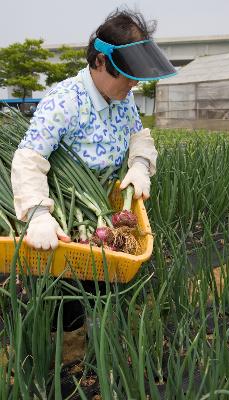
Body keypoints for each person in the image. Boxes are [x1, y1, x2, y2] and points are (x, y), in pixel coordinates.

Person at [11, 8, 177, 330]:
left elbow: (138, 136)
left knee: (104, 292)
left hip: (103, 213)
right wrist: (37, 213)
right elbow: (28, 158)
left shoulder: (123, 98)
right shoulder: (64, 102)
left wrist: (140, 164)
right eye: (127, 75)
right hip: (67, 216)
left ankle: (97, 345)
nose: (133, 85)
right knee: (65, 304)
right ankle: (63, 349)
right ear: (100, 62)